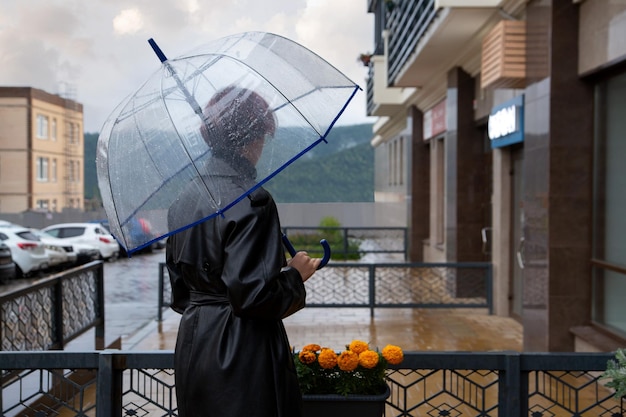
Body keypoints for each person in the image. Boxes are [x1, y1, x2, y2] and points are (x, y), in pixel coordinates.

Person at [166, 86, 320, 417]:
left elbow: (181, 294)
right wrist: (295, 275)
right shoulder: (252, 201)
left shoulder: (183, 201)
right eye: (264, 134)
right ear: (254, 138)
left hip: (195, 347)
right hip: (244, 354)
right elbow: (253, 298)